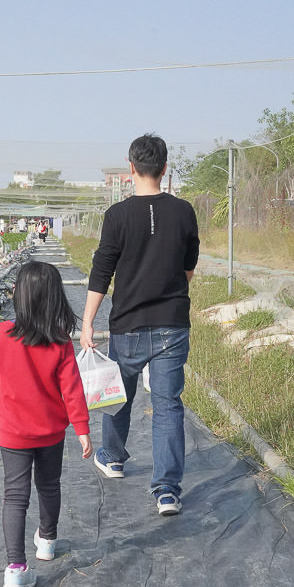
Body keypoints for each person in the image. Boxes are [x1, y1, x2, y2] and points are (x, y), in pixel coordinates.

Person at [79, 134, 200, 517]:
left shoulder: (117, 216)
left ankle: (113, 458)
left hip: (127, 325)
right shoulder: (184, 212)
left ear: (130, 168)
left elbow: (102, 273)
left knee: (119, 396)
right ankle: (167, 491)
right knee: (167, 405)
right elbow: (188, 267)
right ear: (165, 169)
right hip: (171, 325)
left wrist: (87, 324)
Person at [0, 261, 93, 587]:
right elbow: (72, 390)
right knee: (49, 485)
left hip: (13, 432)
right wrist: (83, 428)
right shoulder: (60, 342)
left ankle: (16, 568)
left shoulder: (0, 334)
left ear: (21, 297)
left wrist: (4, 403)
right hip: (51, 433)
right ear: (54, 299)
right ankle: (47, 540)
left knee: (15, 498)